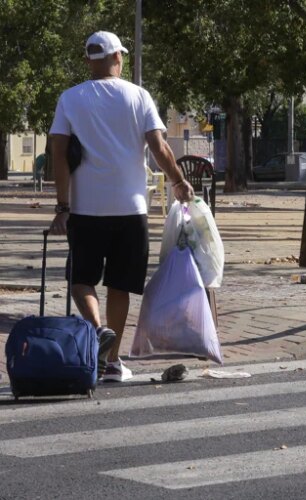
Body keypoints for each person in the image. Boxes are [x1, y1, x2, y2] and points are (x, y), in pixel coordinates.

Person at [48, 31, 194, 382]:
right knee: (119, 284)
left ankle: (97, 329)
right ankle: (112, 363)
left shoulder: (70, 98)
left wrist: (62, 207)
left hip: (85, 209)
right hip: (130, 209)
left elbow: (57, 153)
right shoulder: (138, 95)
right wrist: (178, 181)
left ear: (89, 60)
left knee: (80, 280)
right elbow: (159, 147)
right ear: (117, 57)